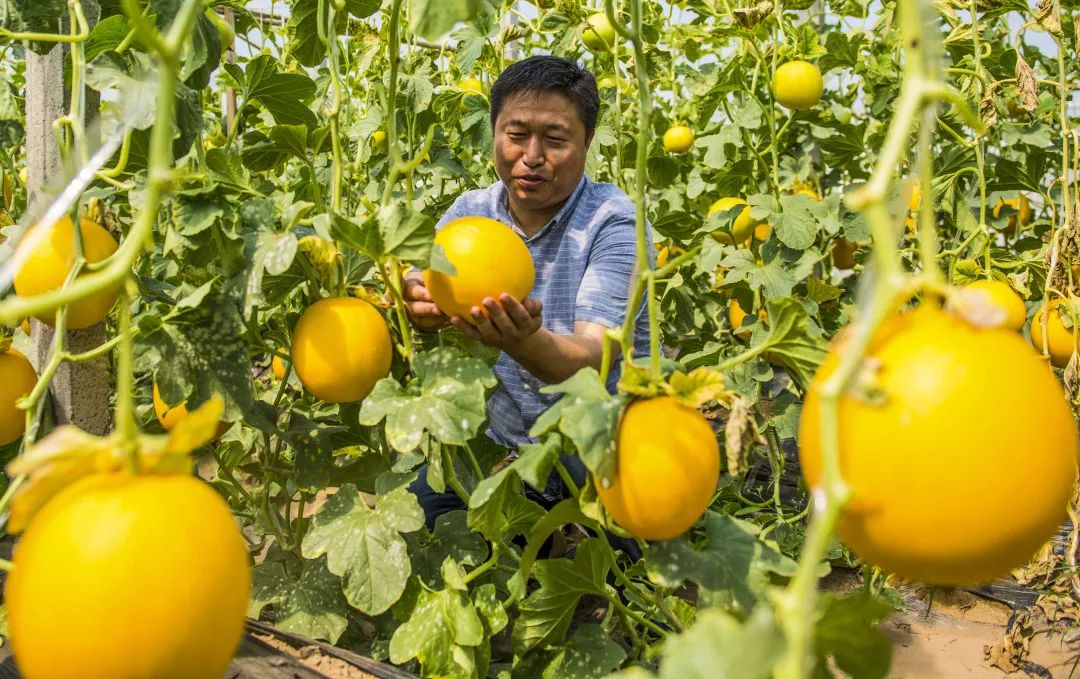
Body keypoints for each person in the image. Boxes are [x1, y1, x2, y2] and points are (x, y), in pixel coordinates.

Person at [404, 55, 651, 554]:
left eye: (556, 140)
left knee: (631, 579)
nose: (531, 156)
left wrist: (521, 341)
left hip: (598, 444)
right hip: (498, 446)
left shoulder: (617, 224)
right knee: (418, 531)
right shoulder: (469, 212)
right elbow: (420, 280)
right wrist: (419, 305)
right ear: (494, 133)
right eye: (516, 135)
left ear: (586, 143)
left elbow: (587, 361)